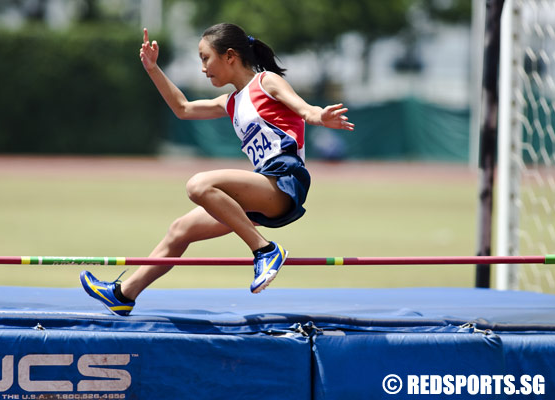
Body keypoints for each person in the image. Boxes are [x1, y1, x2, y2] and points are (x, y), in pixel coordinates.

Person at [80, 23, 354, 316]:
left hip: (285, 180)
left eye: (205, 58)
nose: (202, 68)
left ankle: (265, 250)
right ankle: (124, 294)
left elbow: (305, 109)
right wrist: (152, 68)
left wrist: (320, 116)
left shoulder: (266, 82)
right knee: (180, 230)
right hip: (263, 188)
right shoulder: (231, 101)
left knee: (199, 186)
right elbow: (183, 109)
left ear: (230, 56)